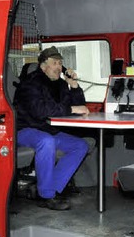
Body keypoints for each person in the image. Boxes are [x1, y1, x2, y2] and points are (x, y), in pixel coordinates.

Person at [14, 46, 90, 210]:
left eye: (60, 63)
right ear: (43, 66)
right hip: (23, 129)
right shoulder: (30, 84)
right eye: (54, 63)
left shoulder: (61, 84)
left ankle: (50, 188)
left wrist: (74, 86)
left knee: (80, 145)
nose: (58, 67)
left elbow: (77, 106)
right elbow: (41, 111)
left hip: (46, 129)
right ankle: (46, 196)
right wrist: (72, 110)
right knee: (46, 142)